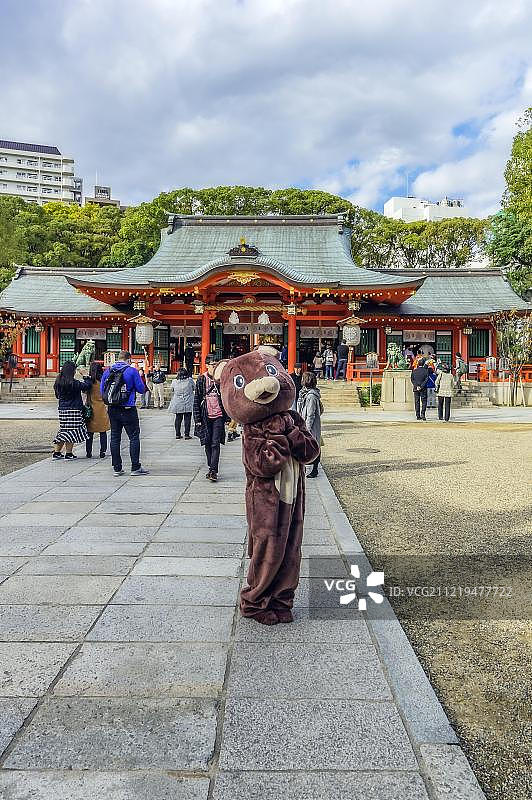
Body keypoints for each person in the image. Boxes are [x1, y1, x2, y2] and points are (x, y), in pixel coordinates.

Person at [101, 350, 149, 476]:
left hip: (112, 408)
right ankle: (135, 467)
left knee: (115, 437)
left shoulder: (108, 371)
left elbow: (102, 391)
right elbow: (141, 389)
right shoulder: (131, 371)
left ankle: (117, 468)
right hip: (128, 407)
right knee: (133, 437)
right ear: (129, 360)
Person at [193, 354, 229, 482]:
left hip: (218, 415)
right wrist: (197, 419)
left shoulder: (220, 380)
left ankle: (213, 470)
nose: (214, 367)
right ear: (207, 365)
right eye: (212, 365)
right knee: (207, 442)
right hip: (205, 415)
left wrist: (228, 417)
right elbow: (196, 399)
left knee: (215, 443)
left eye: (216, 365)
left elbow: (226, 397)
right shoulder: (201, 379)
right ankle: (211, 466)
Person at [52, 361, 92, 460]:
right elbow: (87, 386)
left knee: (64, 430)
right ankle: (68, 453)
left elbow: (57, 396)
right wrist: (85, 376)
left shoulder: (58, 382)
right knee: (71, 431)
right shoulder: (73, 383)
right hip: (74, 409)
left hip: (62, 409)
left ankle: (57, 452)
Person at [297, 371, 323, 477]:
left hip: (310, 425)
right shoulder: (304, 393)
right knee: (311, 445)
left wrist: (306, 429)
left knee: (313, 446)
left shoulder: (311, 396)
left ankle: (315, 469)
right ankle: (307, 468)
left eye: (303, 378)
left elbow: (310, 414)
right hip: (304, 422)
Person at [85, 361, 110, 458]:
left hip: (91, 408)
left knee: (90, 432)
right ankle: (102, 451)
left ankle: (89, 452)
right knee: (102, 432)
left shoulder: (89, 382)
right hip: (102, 408)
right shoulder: (103, 382)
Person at [168, 367, 195, 439]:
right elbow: (194, 388)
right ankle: (187, 434)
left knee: (178, 418)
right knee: (187, 419)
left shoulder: (174, 381)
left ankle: (177, 434)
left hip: (178, 402)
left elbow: (172, 389)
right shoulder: (190, 380)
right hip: (188, 401)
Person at [410, 357, 429, 421]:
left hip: (416, 388)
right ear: (423, 364)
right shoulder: (425, 371)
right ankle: (423, 414)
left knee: (417, 401)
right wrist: (421, 386)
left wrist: (417, 386)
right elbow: (426, 379)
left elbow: (412, 379)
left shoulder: (414, 371)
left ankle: (417, 415)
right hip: (423, 388)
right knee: (424, 401)